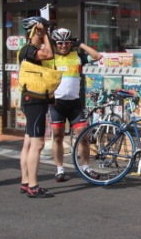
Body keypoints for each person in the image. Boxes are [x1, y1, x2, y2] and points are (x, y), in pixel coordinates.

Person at [43, 28, 103, 182]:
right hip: (57, 103)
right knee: (57, 137)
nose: (63, 46)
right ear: (55, 44)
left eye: (67, 43)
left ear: (71, 43)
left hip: (74, 104)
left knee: (83, 136)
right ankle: (60, 169)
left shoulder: (77, 56)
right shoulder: (50, 58)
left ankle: (86, 167)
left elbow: (97, 56)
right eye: (60, 43)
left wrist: (81, 44)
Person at [18, 16, 55, 198]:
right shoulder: (29, 50)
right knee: (37, 143)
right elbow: (49, 54)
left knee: (28, 142)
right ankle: (33, 185)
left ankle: (25, 181)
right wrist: (44, 34)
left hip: (31, 99)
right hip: (34, 100)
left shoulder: (26, 50)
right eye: (42, 30)